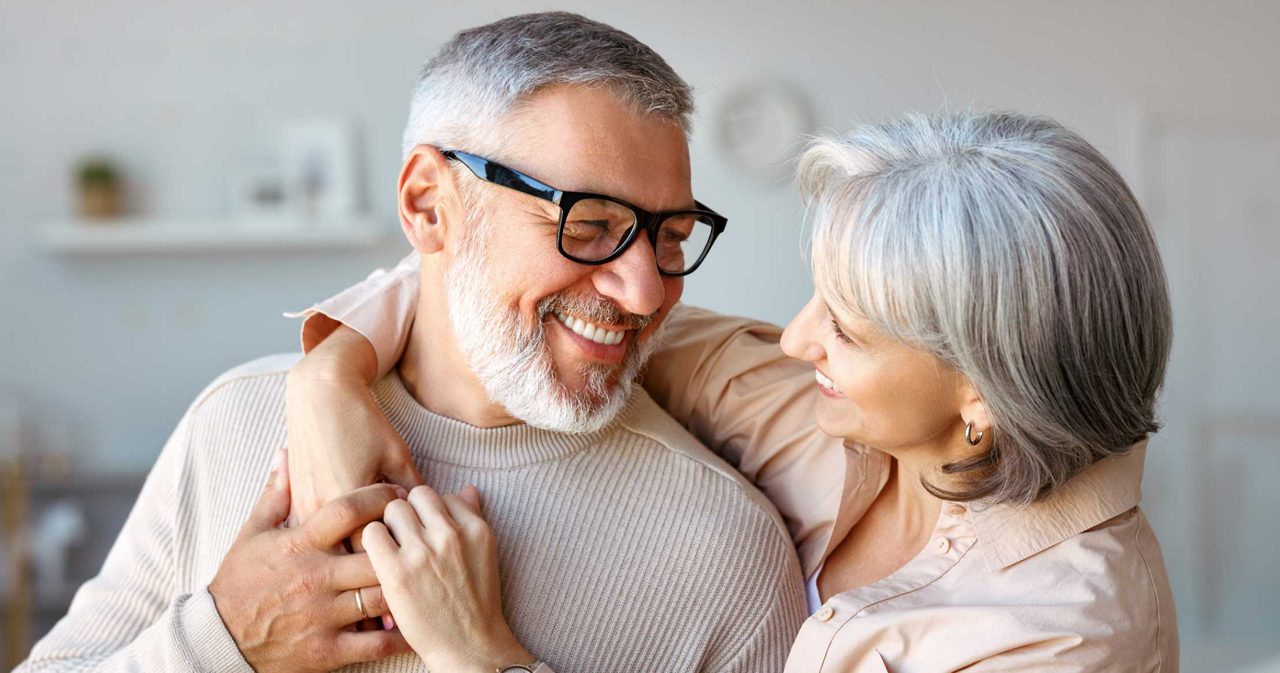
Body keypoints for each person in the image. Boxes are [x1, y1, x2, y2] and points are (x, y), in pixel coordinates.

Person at [16, 13, 805, 673]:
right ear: (428, 205)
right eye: (591, 224)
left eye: (670, 237)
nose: (646, 293)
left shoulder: (726, 554)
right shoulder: (236, 422)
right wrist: (225, 637)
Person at [289, 110, 1180, 671]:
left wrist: (479, 653)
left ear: (980, 395)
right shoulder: (803, 405)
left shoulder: (1064, 639)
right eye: (817, 297)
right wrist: (330, 373)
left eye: (846, 329)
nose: (795, 338)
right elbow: (543, 306)